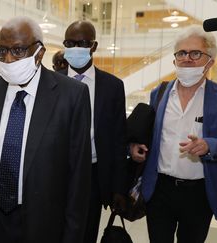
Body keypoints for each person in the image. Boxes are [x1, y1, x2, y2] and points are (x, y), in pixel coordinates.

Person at [0, 16, 92, 243]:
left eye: (18, 50)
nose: (8, 59)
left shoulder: (72, 96)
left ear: (39, 53)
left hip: (45, 225)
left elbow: (79, 179)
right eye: (2, 51)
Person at [130, 25, 217, 243]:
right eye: (181, 53)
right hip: (160, 190)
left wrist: (209, 145)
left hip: (199, 194)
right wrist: (136, 148)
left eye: (196, 53)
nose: (187, 59)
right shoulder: (160, 93)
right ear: (175, 60)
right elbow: (151, 135)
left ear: (210, 61)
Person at [59, 20, 128, 243]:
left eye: (83, 43)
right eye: (70, 43)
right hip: (55, 172)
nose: (76, 48)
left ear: (94, 46)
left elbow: (118, 139)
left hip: (93, 176)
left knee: (86, 233)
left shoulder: (113, 86)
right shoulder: (49, 81)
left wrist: (118, 187)